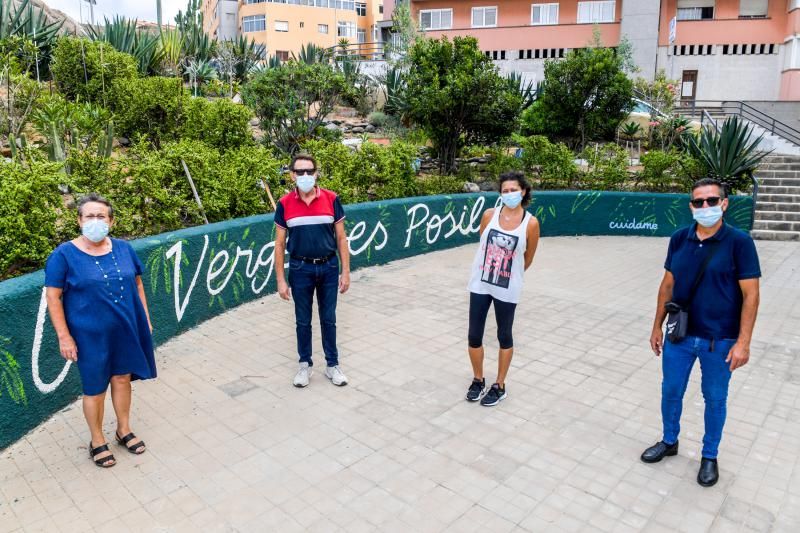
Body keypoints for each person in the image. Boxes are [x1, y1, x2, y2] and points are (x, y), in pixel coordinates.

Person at [642, 177, 761, 487]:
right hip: (679, 336)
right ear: (691, 205)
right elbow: (667, 285)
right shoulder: (680, 238)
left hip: (719, 341)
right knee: (671, 390)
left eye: (711, 200)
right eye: (698, 202)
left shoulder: (739, 242)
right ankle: (670, 441)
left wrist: (743, 343)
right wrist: (656, 326)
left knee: (715, 399)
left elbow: (751, 294)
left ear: (724, 203)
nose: (705, 206)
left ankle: (710, 455)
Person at [45, 193, 156, 468]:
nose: (95, 221)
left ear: (111, 221)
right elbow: (53, 297)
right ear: (79, 220)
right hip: (88, 336)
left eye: (101, 216)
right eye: (89, 216)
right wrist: (64, 336)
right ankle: (97, 440)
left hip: (125, 329)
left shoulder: (123, 248)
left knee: (122, 379)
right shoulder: (63, 255)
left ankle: (123, 429)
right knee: (94, 388)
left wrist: (145, 317)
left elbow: (138, 284)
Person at [273, 153, 351, 388]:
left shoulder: (331, 199)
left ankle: (332, 365)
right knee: (302, 321)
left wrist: (345, 271)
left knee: (329, 319)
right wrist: (280, 280)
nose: (305, 176)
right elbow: (279, 244)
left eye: (309, 171)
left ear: (316, 173)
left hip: (328, 267)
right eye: (300, 172)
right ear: (292, 175)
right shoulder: (284, 204)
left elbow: (341, 237)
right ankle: (304, 366)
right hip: (300, 268)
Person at [465, 171, 540, 406]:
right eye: (505, 191)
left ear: (524, 191)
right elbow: (482, 245)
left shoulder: (531, 223)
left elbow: (527, 258)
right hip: (480, 283)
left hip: (508, 289)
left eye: (514, 190)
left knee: (504, 335)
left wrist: (510, 274)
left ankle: (500, 385)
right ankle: (478, 379)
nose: (509, 194)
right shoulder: (489, 215)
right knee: (474, 335)